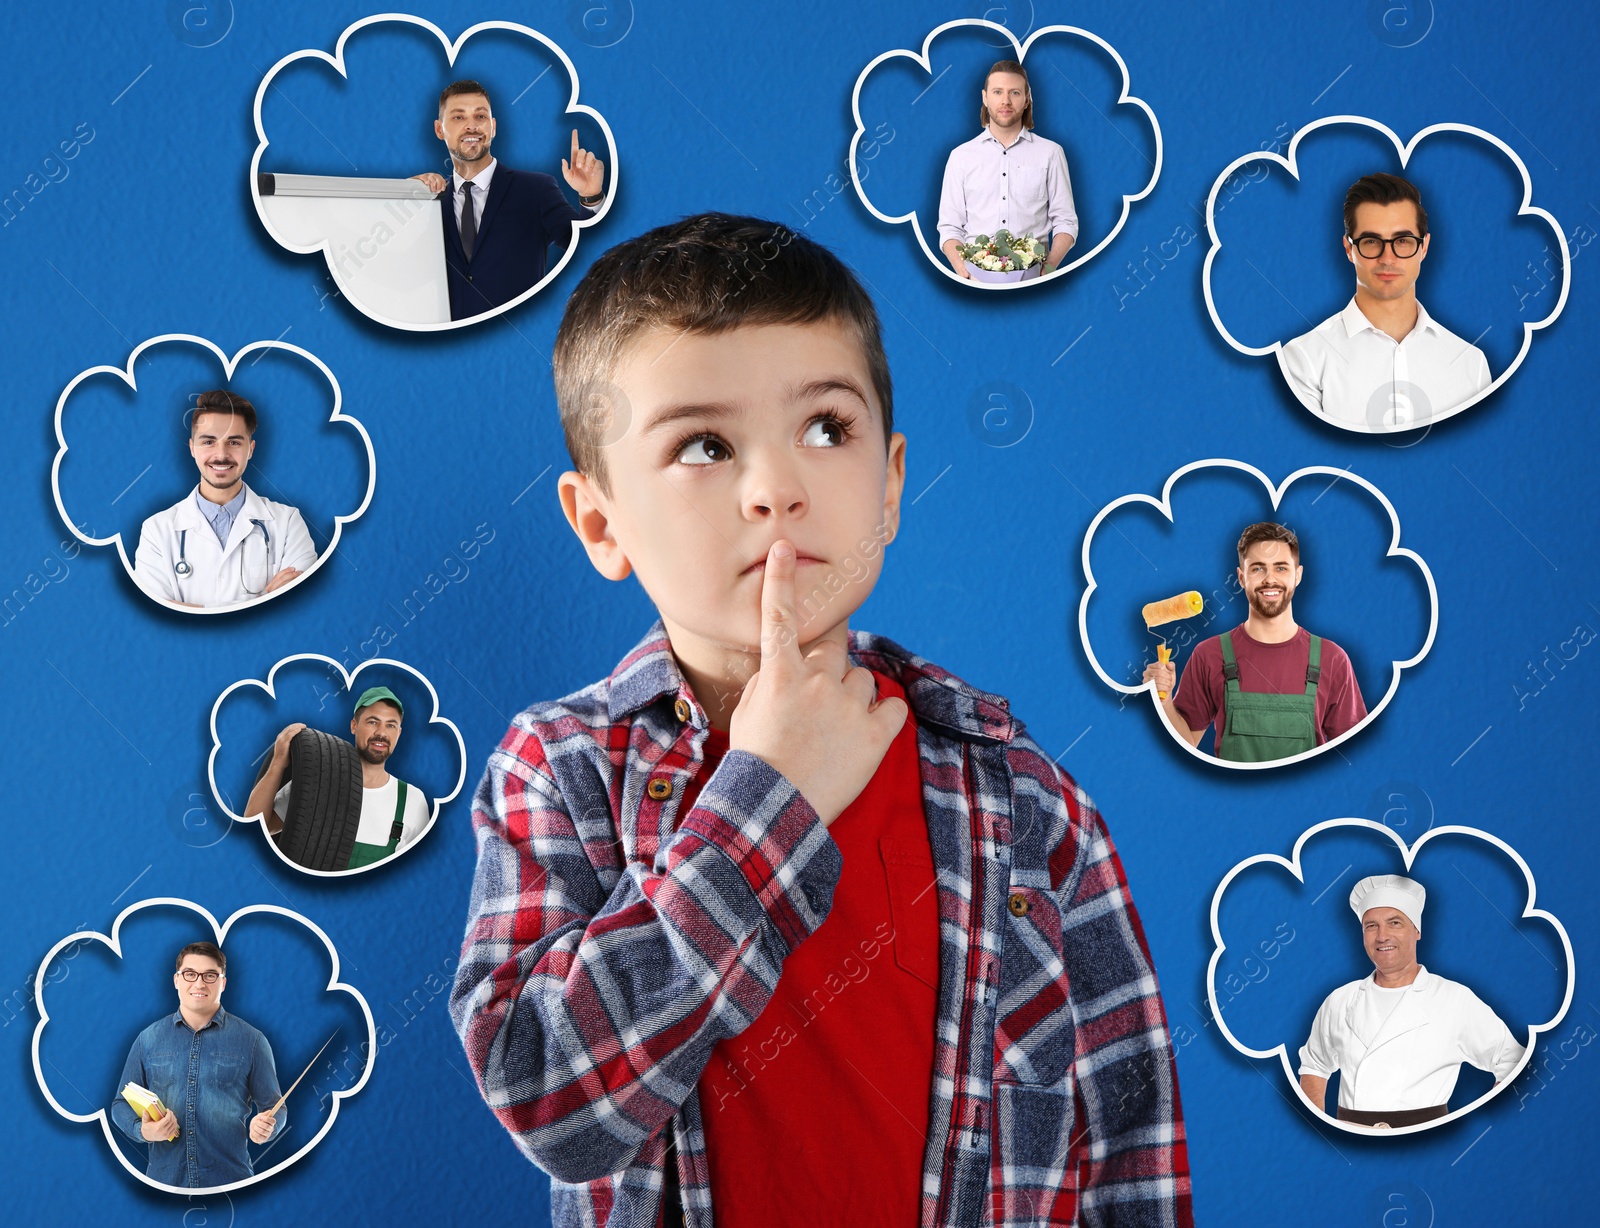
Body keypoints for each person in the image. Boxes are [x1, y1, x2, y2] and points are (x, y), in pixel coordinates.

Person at [450, 214, 1190, 1228]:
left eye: (824, 429)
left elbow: (1131, 1140)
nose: (776, 489)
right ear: (601, 523)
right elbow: (551, 1102)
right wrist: (764, 794)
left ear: (889, 485)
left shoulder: (1024, 800)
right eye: (704, 445)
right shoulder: (560, 770)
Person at [1298, 874, 1525, 1128]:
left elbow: (1514, 1061)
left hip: (1427, 1145)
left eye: (1394, 923)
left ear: (1417, 930)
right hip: (1351, 1142)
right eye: (1371, 926)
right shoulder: (1339, 1000)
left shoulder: (1454, 999)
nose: (1382, 936)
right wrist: (1319, 1129)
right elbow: (1314, 1066)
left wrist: (1483, 1123)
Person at [1280, 172, 1491, 429]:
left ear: (1424, 247)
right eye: (1371, 241)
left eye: (1402, 241)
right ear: (1349, 249)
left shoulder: (1470, 364)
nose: (1387, 258)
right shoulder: (1304, 359)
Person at [1143, 522, 1367, 762]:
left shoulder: (1332, 659)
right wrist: (1162, 698)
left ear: (1298, 575)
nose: (1270, 579)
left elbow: (1357, 758)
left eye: (1281, 568)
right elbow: (1186, 746)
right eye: (1258, 569)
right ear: (1241, 577)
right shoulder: (1209, 654)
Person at [411, 80, 606, 321]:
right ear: (439, 130)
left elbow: (587, 249)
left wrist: (591, 196)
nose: (472, 126)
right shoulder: (430, 202)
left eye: (480, 116)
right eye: (459, 118)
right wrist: (405, 199)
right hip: (449, 348)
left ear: (493, 127)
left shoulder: (536, 189)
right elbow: (401, 273)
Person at [111, 942, 285, 1187]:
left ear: (223, 982)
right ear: (176, 980)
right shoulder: (147, 1039)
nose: (199, 983)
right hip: (164, 1186)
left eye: (210, 975)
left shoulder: (253, 1040)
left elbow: (275, 1106)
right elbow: (120, 1104)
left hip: (231, 1185)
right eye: (190, 974)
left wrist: (268, 1126)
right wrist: (143, 1131)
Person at [131, 391, 317, 609]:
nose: (221, 454)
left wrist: (191, 610)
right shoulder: (156, 530)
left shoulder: (288, 523)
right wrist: (265, 599)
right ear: (192, 448)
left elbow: (300, 608)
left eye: (234, 442)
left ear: (251, 449)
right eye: (208, 441)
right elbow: (158, 615)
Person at [246, 686, 431, 871]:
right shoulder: (317, 781)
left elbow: (420, 875)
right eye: (373, 722)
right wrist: (278, 762)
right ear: (354, 726)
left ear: (398, 733)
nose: (382, 733)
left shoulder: (413, 800)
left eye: (391, 725)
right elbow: (256, 825)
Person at [936, 59, 1079, 279]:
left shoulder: (1051, 153)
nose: (1005, 101)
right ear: (985, 97)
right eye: (997, 92)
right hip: (976, 280)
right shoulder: (960, 157)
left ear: (1026, 99)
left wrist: (1047, 270)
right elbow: (949, 227)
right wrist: (964, 274)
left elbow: (1066, 222)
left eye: (1014, 93)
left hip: (1033, 280)